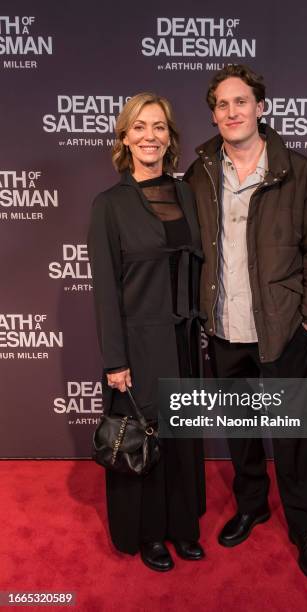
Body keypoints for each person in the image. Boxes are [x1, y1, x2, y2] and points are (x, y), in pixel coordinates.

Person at [185, 65, 307, 581]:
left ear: (261, 107)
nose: (232, 112)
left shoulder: (305, 177)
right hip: (224, 328)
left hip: (282, 331)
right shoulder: (200, 175)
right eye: (222, 105)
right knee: (239, 427)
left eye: (241, 102)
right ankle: (251, 504)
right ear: (213, 114)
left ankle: (303, 526)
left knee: (293, 435)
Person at [88, 93, 206, 572]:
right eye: (139, 127)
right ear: (124, 137)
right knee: (146, 437)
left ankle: (182, 526)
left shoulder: (186, 194)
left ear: (170, 138)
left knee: (181, 437)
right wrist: (115, 361)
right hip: (138, 342)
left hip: (183, 338)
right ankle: (150, 533)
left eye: (159, 127)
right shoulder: (109, 205)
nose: (150, 137)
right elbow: (104, 291)